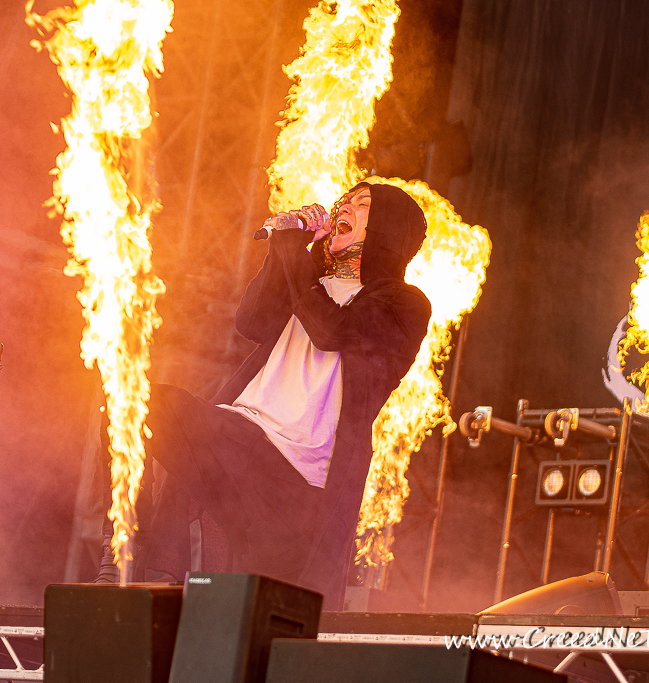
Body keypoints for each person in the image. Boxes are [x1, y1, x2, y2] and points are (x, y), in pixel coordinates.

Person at [101, 179, 431, 609]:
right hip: (241, 439)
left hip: (294, 476)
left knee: (253, 617)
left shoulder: (404, 304)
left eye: (363, 203)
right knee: (132, 404)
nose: (344, 207)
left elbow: (332, 331)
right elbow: (252, 321)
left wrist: (294, 251)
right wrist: (283, 250)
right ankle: (124, 546)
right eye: (345, 200)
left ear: (389, 227)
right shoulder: (309, 284)